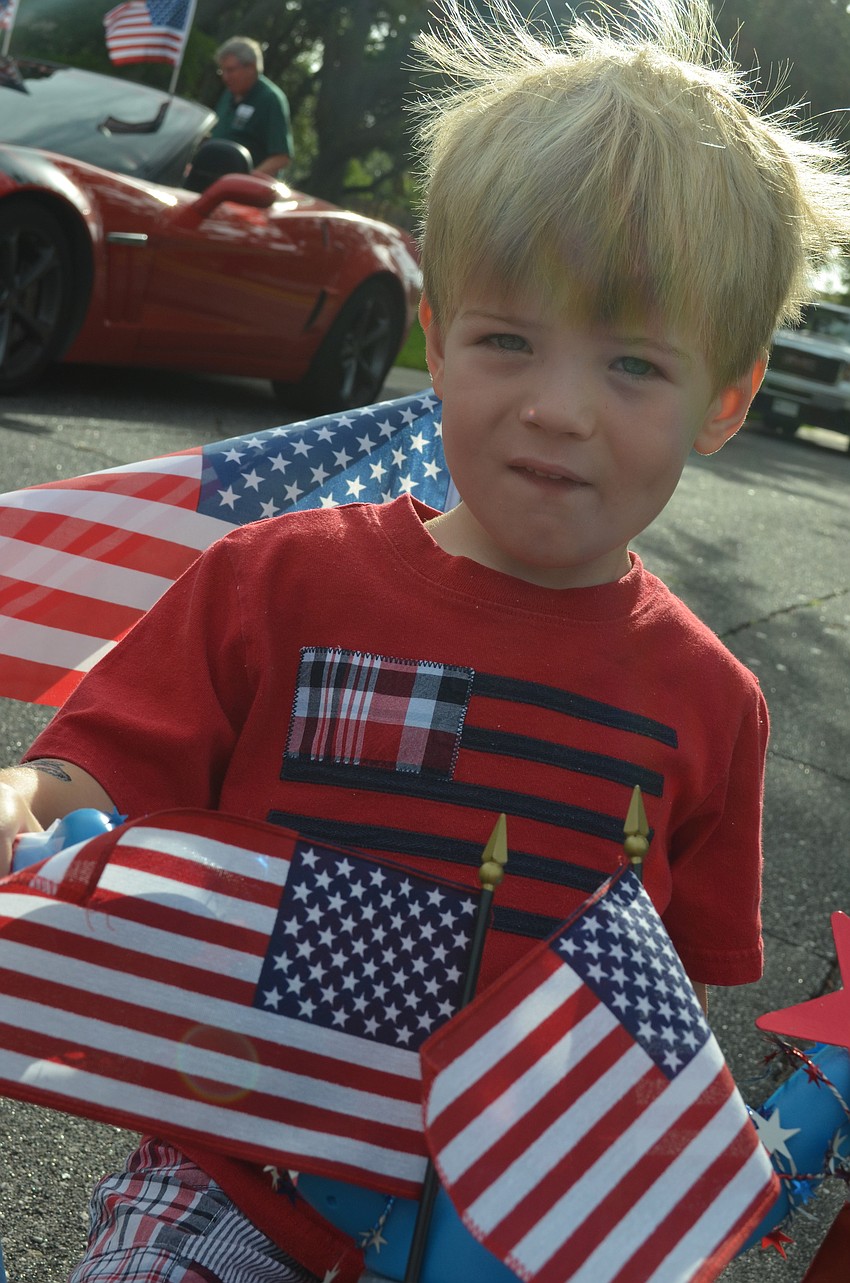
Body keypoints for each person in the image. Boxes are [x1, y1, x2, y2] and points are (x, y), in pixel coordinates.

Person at [2, 1, 850, 1279]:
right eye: (508, 339)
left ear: (724, 401)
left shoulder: (711, 702)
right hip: (233, 1181)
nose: (555, 408)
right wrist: (20, 796)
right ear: (438, 341)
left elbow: (660, 1007)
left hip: (511, 1228)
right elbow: (92, 773)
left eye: (632, 365)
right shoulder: (279, 579)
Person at [209, 36, 294, 177]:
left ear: (251, 67)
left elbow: (281, 158)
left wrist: (245, 180)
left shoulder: (270, 99)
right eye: (222, 71)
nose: (225, 77)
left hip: (244, 193)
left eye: (230, 70)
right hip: (211, 182)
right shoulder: (228, 94)